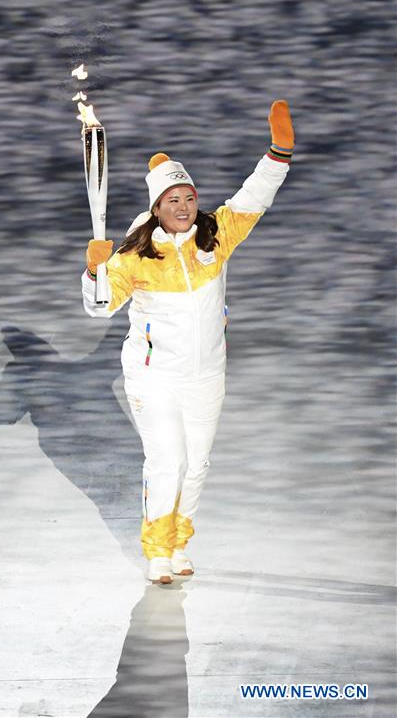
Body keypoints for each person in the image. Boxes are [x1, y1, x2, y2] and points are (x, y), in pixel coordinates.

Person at [82, 101, 294, 584]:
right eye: (172, 200)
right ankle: (157, 552)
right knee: (167, 461)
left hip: (206, 374)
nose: (182, 207)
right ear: (156, 208)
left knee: (196, 463)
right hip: (154, 377)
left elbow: (253, 197)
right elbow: (99, 307)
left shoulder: (215, 237)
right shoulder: (135, 255)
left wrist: (278, 154)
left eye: (189, 197)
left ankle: (179, 543)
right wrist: (95, 271)